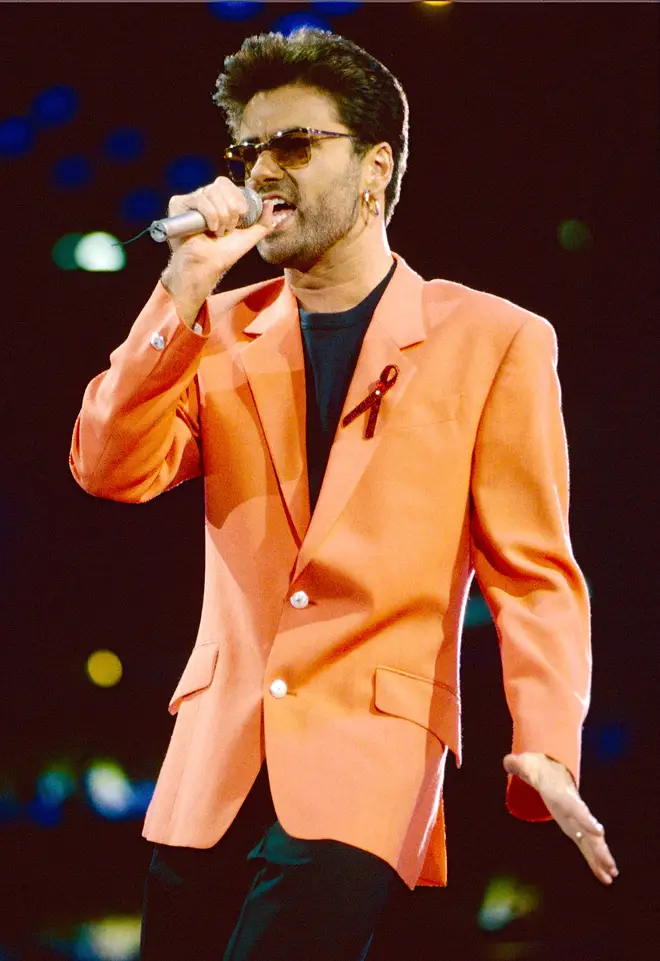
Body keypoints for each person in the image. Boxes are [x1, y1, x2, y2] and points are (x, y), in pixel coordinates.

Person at [69, 27, 618, 961]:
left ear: (375, 168)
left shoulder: (494, 338)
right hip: (215, 758)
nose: (262, 171)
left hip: (371, 755)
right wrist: (180, 293)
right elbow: (110, 467)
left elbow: (533, 571)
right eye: (249, 150)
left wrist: (547, 738)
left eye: (294, 144)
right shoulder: (220, 330)